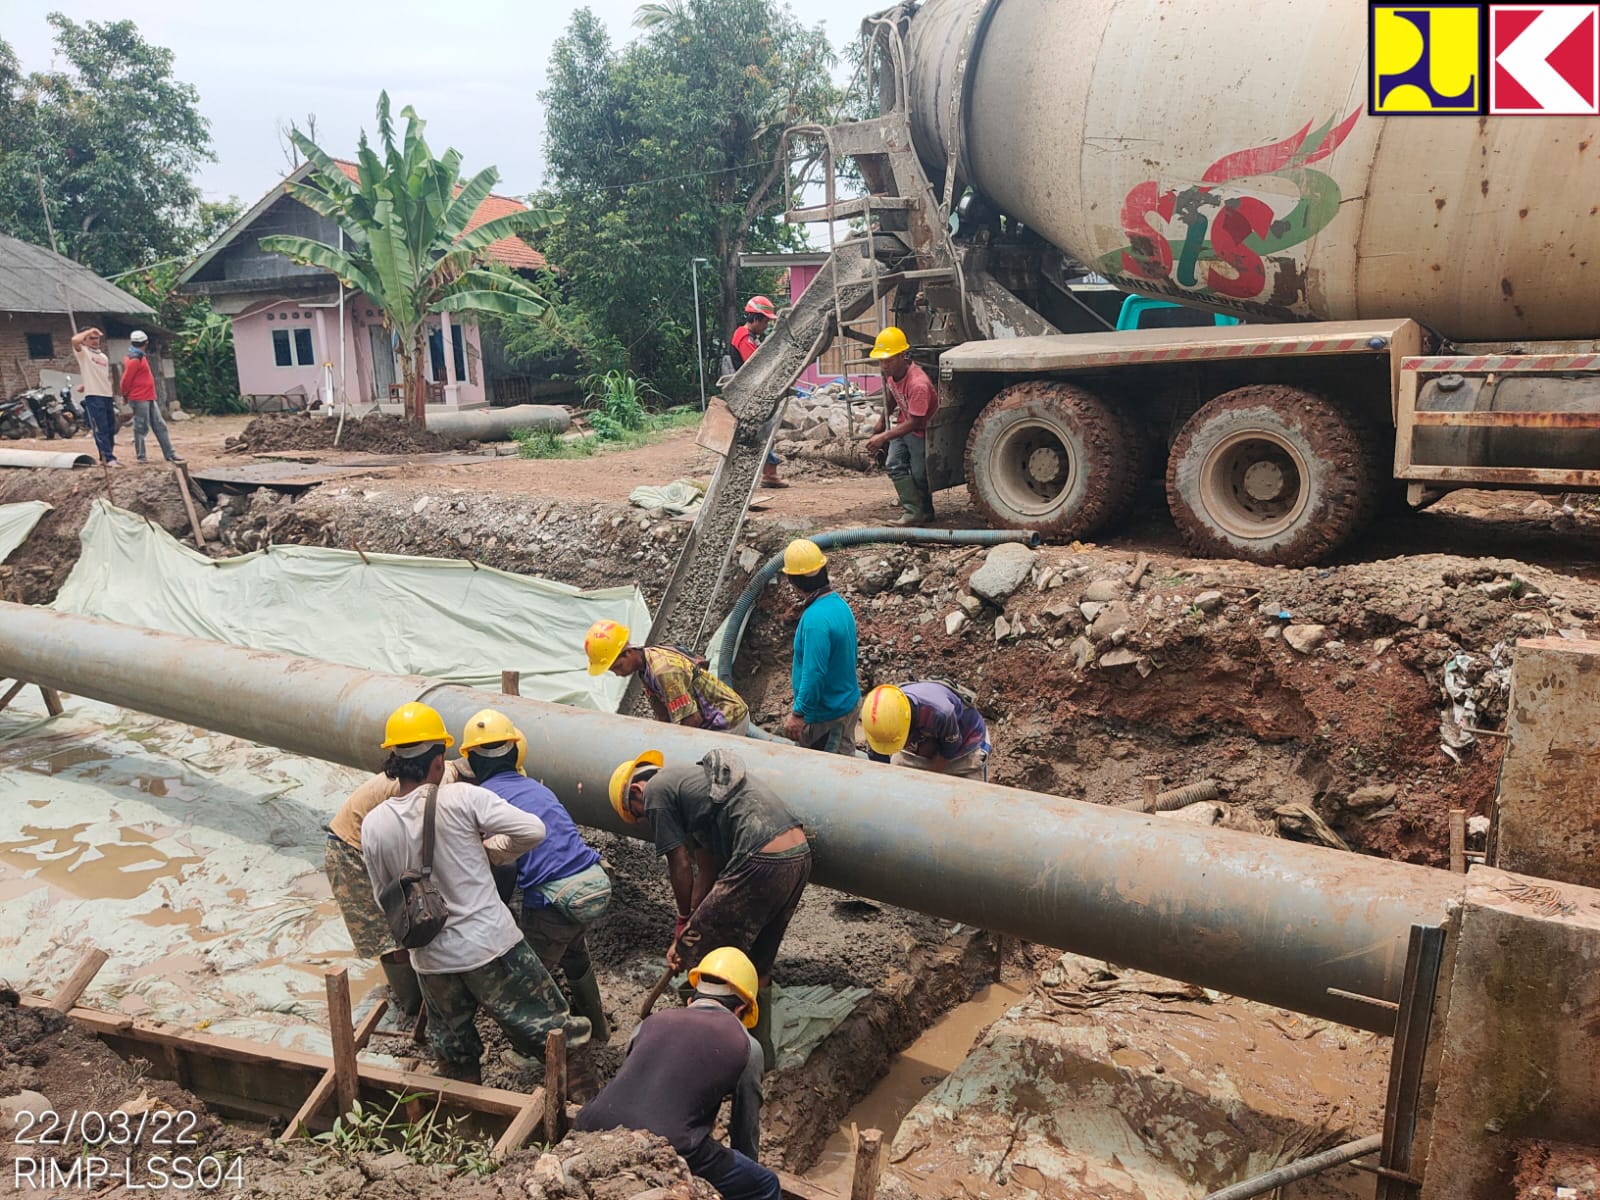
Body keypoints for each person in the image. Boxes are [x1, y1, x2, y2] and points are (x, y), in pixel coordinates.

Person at [361, 702, 589, 1082]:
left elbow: (383, 894)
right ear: (439, 761)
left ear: (394, 761)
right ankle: (585, 1105)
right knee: (551, 1028)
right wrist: (493, 852)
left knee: (454, 1048)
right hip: (491, 945)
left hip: (432, 960)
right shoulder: (464, 799)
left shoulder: (373, 825)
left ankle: (467, 1125)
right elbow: (533, 831)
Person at [608, 747, 810, 1071]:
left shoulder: (656, 792)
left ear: (636, 791)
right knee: (758, 967)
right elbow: (707, 868)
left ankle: (697, 1059)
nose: (648, 821)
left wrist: (687, 933)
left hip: (759, 856)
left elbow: (680, 863)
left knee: (698, 960)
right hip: (796, 856)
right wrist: (690, 924)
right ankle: (761, 1059)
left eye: (640, 815)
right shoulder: (696, 793)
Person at [457, 708, 613, 1043]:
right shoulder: (538, 788)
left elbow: (504, 865)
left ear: (471, 762)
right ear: (515, 753)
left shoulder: (485, 800)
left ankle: (531, 1052)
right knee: (573, 950)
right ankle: (599, 1028)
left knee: (528, 982)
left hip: (556, 898)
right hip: (592, 882)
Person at [576, 947, 778, 1200]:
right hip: (669, 1145)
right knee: (766, 1184)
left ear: (691, 1000)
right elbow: (744, 1128)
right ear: (741, 1010)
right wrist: (746, 1173)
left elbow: (629, 1081)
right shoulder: (747, 1046)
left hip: (591, 1126)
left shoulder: (648, 1024)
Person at [584, 619, 752, 735]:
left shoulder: (663, 671)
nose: (617, 673)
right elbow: (663, 716)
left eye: (617, 667)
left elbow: (692, 720)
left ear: (627, 653)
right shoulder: (645, 666)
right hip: (712, 720)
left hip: (727, 719)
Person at [779, 539, 860, 755]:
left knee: (829, 776)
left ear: (792, 582)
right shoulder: (839, 605)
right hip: (846, 703)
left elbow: (814, 673)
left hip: (828, 716)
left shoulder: (815, 620)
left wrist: (799, 714)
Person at [862, 327, 937, 525]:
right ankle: (913, 512)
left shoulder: (918, 384)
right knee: (894, 464)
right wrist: (880, 423)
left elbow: (916, 422)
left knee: (920, 474)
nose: (884, 365)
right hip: (904, 425)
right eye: (881, 360)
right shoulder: (892, 374)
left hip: (920, 430)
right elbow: (892, 394)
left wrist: (884, 437)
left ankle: (926, 512)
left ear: (902, 356)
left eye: (888, 360)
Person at [861, 682, 991, 780]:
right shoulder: (879, 717)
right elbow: (879, 760)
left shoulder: (940, 712)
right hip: (924, 743)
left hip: (964, 748)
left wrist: (927, 782)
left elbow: (950, 749)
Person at [730, 295, 787, 490]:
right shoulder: (745, 338)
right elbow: (756, 367)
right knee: (763, 432)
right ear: (755, 318)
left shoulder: (750, 336)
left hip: (752, 392)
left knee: (765, 431)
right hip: (750, 394)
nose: (766, 326)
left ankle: (769, 473)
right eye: (765, 321)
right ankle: (768, 474)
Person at [120, 331, 182, 464]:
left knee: (160, 425)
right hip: (139, 397)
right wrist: (125, 395)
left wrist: (125, 395)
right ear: (146, 343)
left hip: (147, 397)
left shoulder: (138, 356)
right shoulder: (135, 358)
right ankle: (141, 457)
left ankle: (170, 454)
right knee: (141, 427)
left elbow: (126, 380)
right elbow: (125, 380)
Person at [70, 326, 119, 466]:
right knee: (100, 428)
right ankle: (108, 457)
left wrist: (85, 384)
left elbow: (99, 375)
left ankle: (107, 456)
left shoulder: (103, 357)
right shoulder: (83, 353)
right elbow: (74, 340)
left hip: (106, 395)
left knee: (110, 428)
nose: (95, 340)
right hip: (94, 396)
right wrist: (89, 330)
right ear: (85, 340)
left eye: (97, 338)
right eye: (92, 338)